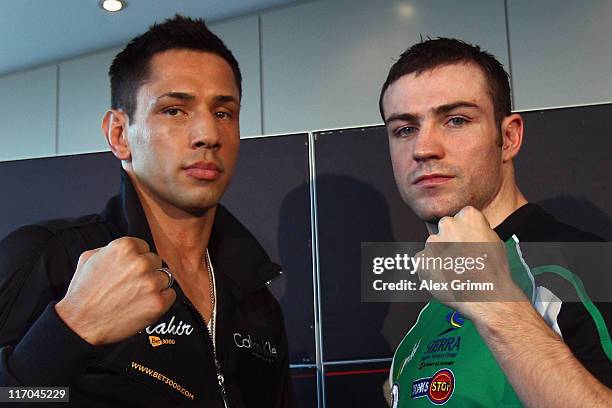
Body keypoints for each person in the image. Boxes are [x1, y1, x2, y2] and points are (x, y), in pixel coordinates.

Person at [0, 15, 295, 407]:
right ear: (119, 134)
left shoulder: (258, 305)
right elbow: (17, 398)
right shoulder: (47, 257)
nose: (208, 135)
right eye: (174, 110)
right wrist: (69, 330)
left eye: (223, 112)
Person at [378, 38, 612, 407]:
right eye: (404, 129)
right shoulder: (422, 322)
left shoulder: (586, 266)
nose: (423, 148)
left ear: (508, 137)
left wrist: (495, 303)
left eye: (456, 120)